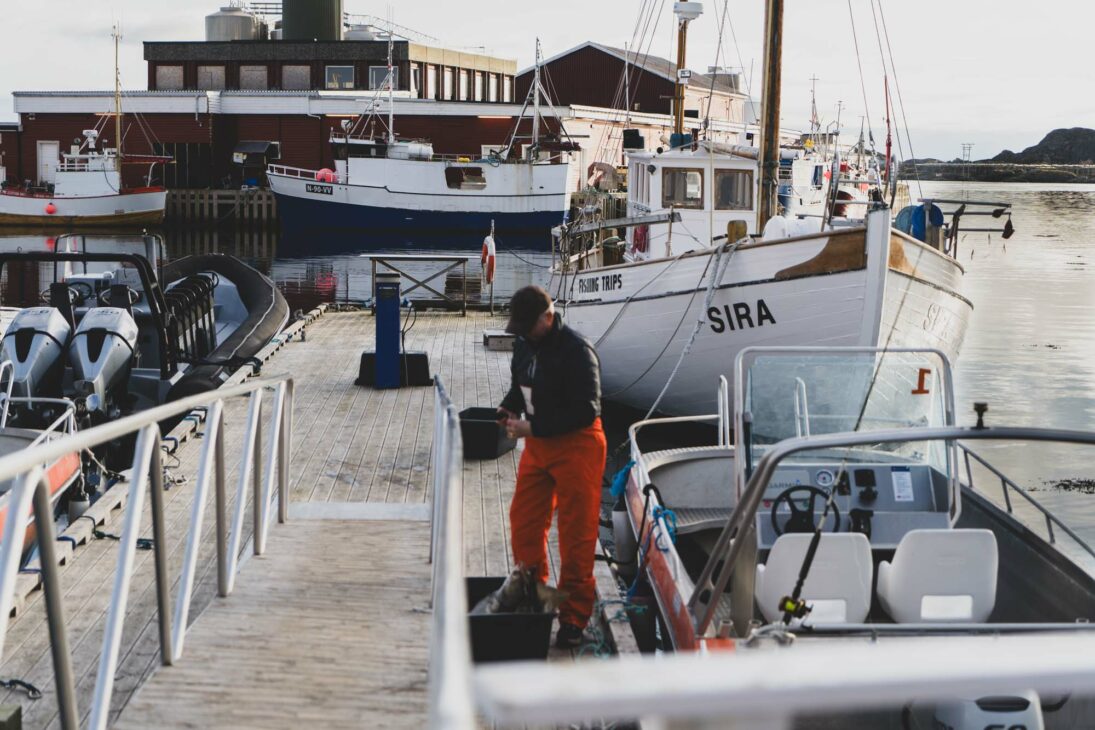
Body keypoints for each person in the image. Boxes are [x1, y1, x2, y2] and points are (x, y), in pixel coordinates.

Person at [498, 285, 606, 648]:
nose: (524, 332)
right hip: (539, 445)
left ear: (548, 317)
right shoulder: (526, 344)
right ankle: (534, 592)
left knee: (577, 534)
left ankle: (574, 618)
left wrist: (534, 427)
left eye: (529, 325)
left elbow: (587, 410)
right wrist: (509, 407)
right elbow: (521, 385)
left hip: (578, 445)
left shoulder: (578, 351)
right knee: (524, 520)